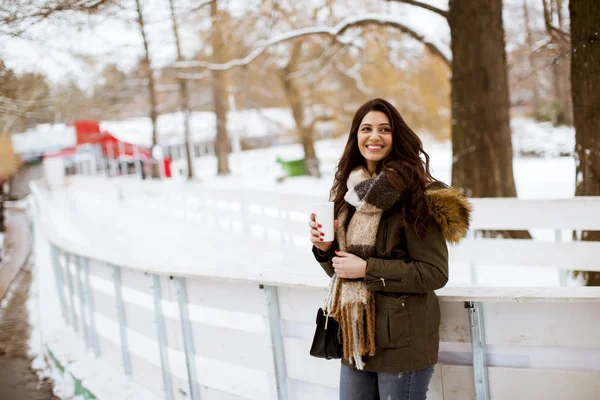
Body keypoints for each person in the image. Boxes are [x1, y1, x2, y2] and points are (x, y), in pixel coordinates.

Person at [309, 98, 471, 400]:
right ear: (355, 136)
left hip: (403, 340)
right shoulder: (350, 193)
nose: (375, 136)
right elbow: (344, 271)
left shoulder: (420, 193)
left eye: (385, 129)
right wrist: (324, 249)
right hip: (356, 334)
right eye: (366, 128)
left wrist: (368, 269)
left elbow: (434, 273)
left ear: (397, 137)